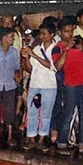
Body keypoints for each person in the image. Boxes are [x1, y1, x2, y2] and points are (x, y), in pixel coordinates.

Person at [52, 19, 83, 156]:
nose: (69, 34)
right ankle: (62, 143)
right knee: (68, 114)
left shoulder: (79, 40)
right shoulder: (57, 48)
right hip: (71, 84)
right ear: (59, 33)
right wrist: (67, 49)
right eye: (66, 31)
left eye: (71, 31)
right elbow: (58, 66)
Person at [22, 22, 59, 151]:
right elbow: (30, 68)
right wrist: (26, 58)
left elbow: (52, 66)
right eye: (40, 34)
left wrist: (33, 55)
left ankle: (42, 139)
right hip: (35, 84)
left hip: (49, 85)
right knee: (32, 112)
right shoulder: (37, 48)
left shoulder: (56, 48)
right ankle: (32, 138)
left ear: (52, 35)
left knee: (46, 114)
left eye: (44, 34)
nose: (41, 36)